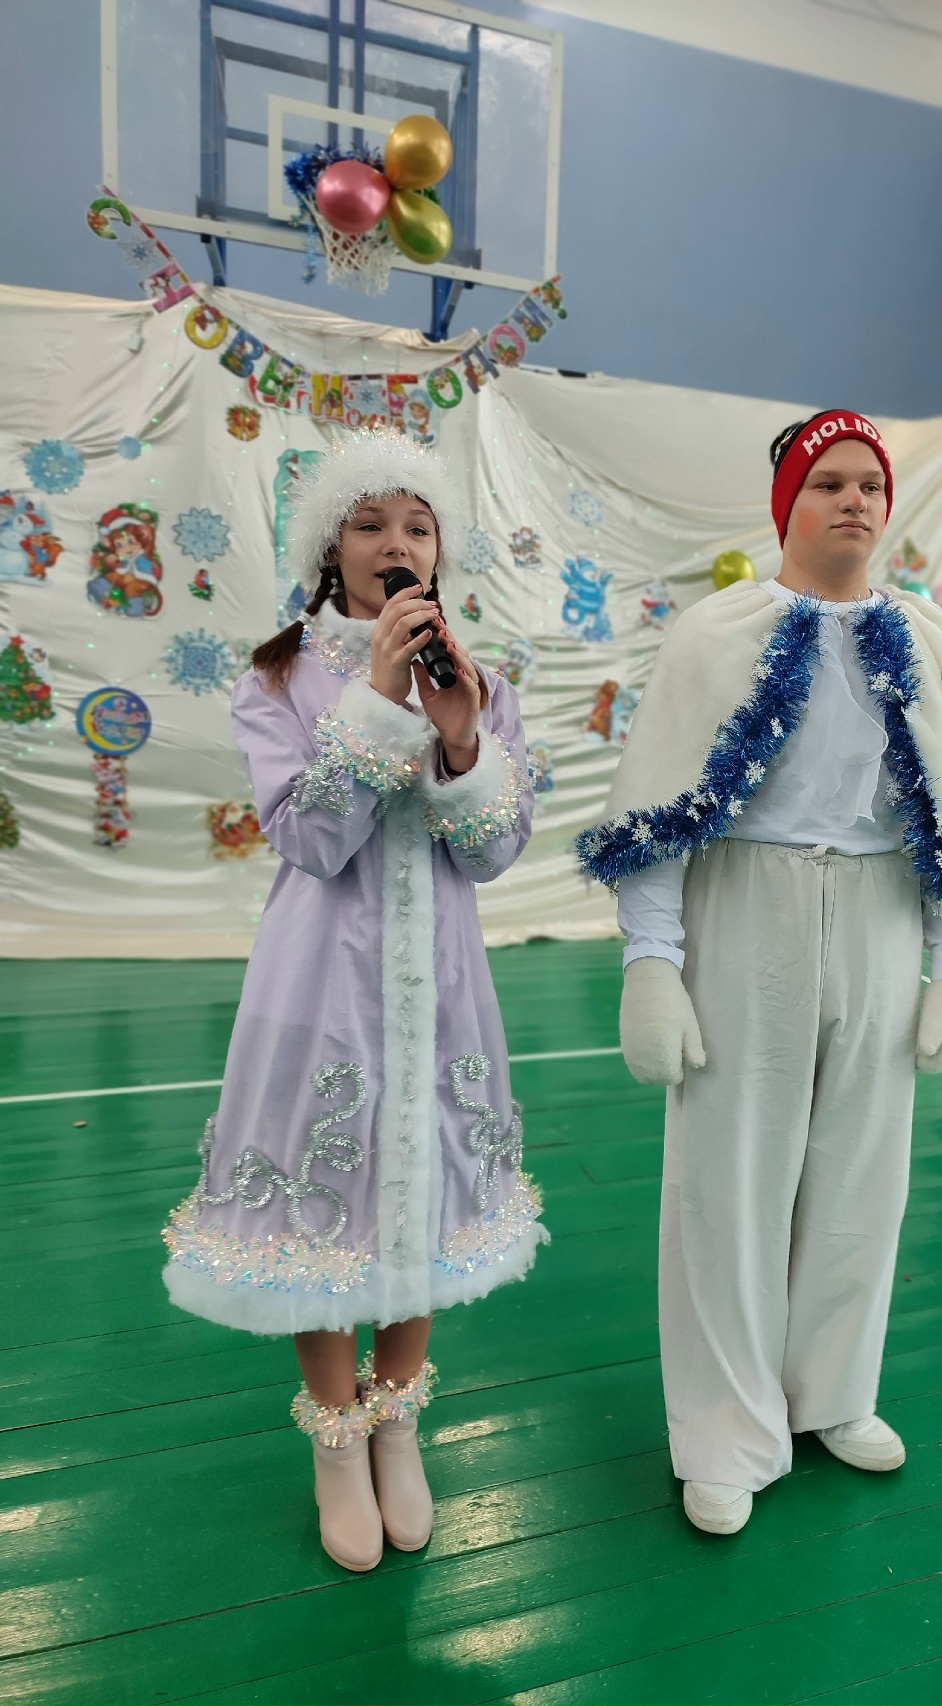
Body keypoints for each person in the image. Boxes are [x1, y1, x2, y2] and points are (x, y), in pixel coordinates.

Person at [576, 409, 942, 1534]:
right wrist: (652, 960)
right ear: (788, 505)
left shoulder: (928, 640)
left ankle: (833, 1392)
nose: (854, 499)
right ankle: (725, 1429)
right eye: (829, 481)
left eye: (870, 482)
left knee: (863, 1172)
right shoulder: (715, 634)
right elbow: (662, 801)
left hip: (878, 913)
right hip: (746, 907)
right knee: (727, 1177)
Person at [162, 432, 543, 1571]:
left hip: (445, 986)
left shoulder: (478, 678)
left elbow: (493, 850)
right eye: (370, 522)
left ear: (440, 550)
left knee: (421, 1191)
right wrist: (377, 694)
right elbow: (311, 838)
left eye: (416, 525)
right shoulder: (279, 677)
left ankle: (398, 1422)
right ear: (331, 547)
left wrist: (462, 733)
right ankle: (336, 1439)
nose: (395, 542)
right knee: (321, 1204)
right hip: (320, 982)